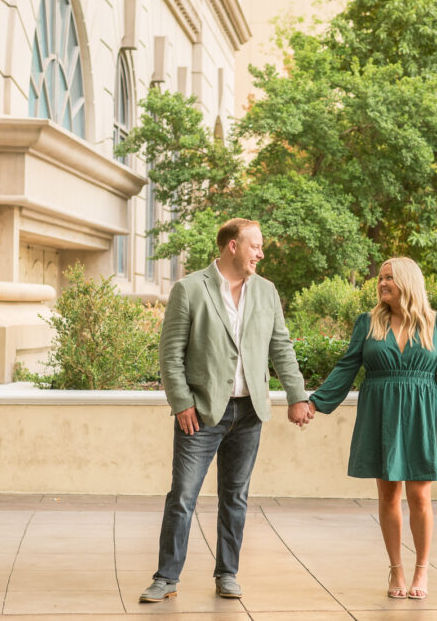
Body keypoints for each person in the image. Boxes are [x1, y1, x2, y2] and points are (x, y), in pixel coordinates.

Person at [140, 218, 313, 603]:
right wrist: (182, 402)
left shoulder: (266, 292)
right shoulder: (189, 289)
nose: (261, 253)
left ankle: (227, 573)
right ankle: (166, 577)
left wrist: (297, 395)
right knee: (183, 496)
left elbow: (280, 347)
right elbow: (170, 355)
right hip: (200, 414)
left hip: (250, 412)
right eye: (256, 246)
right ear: (232, 246)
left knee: (235, 496)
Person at [297, 257, 437, 601]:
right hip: (382, 414)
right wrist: (315, 402)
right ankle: (397, 569)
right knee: (388, 495)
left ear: (407, 281)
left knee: (420, 495)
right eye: (380, 277)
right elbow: (347, 367)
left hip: (422, 414)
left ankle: (422, 568)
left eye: (389, 277)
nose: (382, 283)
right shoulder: (369, 322)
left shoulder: (436, 323)